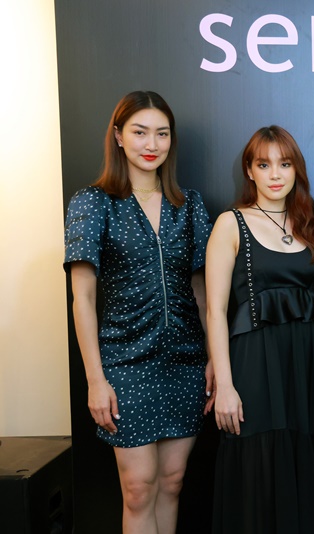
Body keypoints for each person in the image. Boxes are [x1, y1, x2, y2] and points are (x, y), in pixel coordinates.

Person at [64, 90, 213, 533]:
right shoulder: (93, 202)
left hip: (185, 362)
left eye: (162, 134)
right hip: (124, 363)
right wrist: (95, 379)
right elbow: (82, 298)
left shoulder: (189, 205)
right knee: (138, 487)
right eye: (140, 132)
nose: (152, 144)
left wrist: (213, 359)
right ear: (119, 136)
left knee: (172, 481)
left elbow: (202, 292)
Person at [205, 126, 314, 533]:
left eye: (285, 164)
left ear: (296, 169)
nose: (275, 174)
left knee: (303, 468)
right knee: (257, 470)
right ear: (249, 170)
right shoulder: (231, 223)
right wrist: (225, 385)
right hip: (255, 364)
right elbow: (214, 311)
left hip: (305, 367)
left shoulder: (307, 224)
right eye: (264, 165)